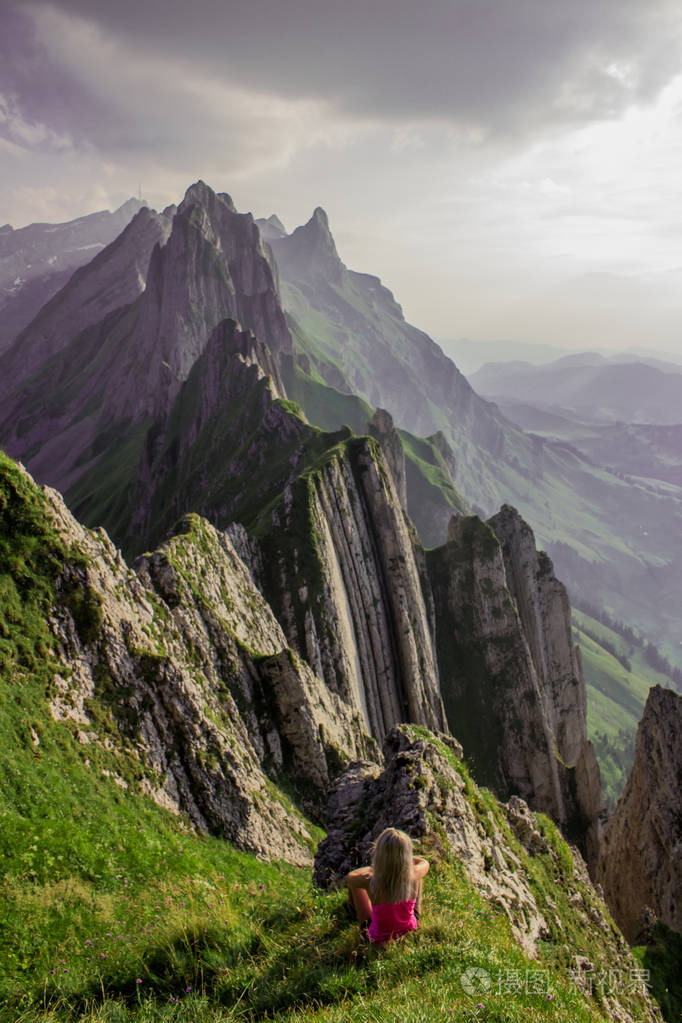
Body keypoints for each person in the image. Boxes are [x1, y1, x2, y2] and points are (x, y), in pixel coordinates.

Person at [345, 827, 430, 945]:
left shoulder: (370, 880)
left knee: (356, 886)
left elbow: (350, 877)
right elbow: (424, 862)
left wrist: (375, 869)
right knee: (416, 875)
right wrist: (401, 859)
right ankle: (414, 916)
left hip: (378, 939)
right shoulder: (413, 875)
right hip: (409, 929)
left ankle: (359, 919)